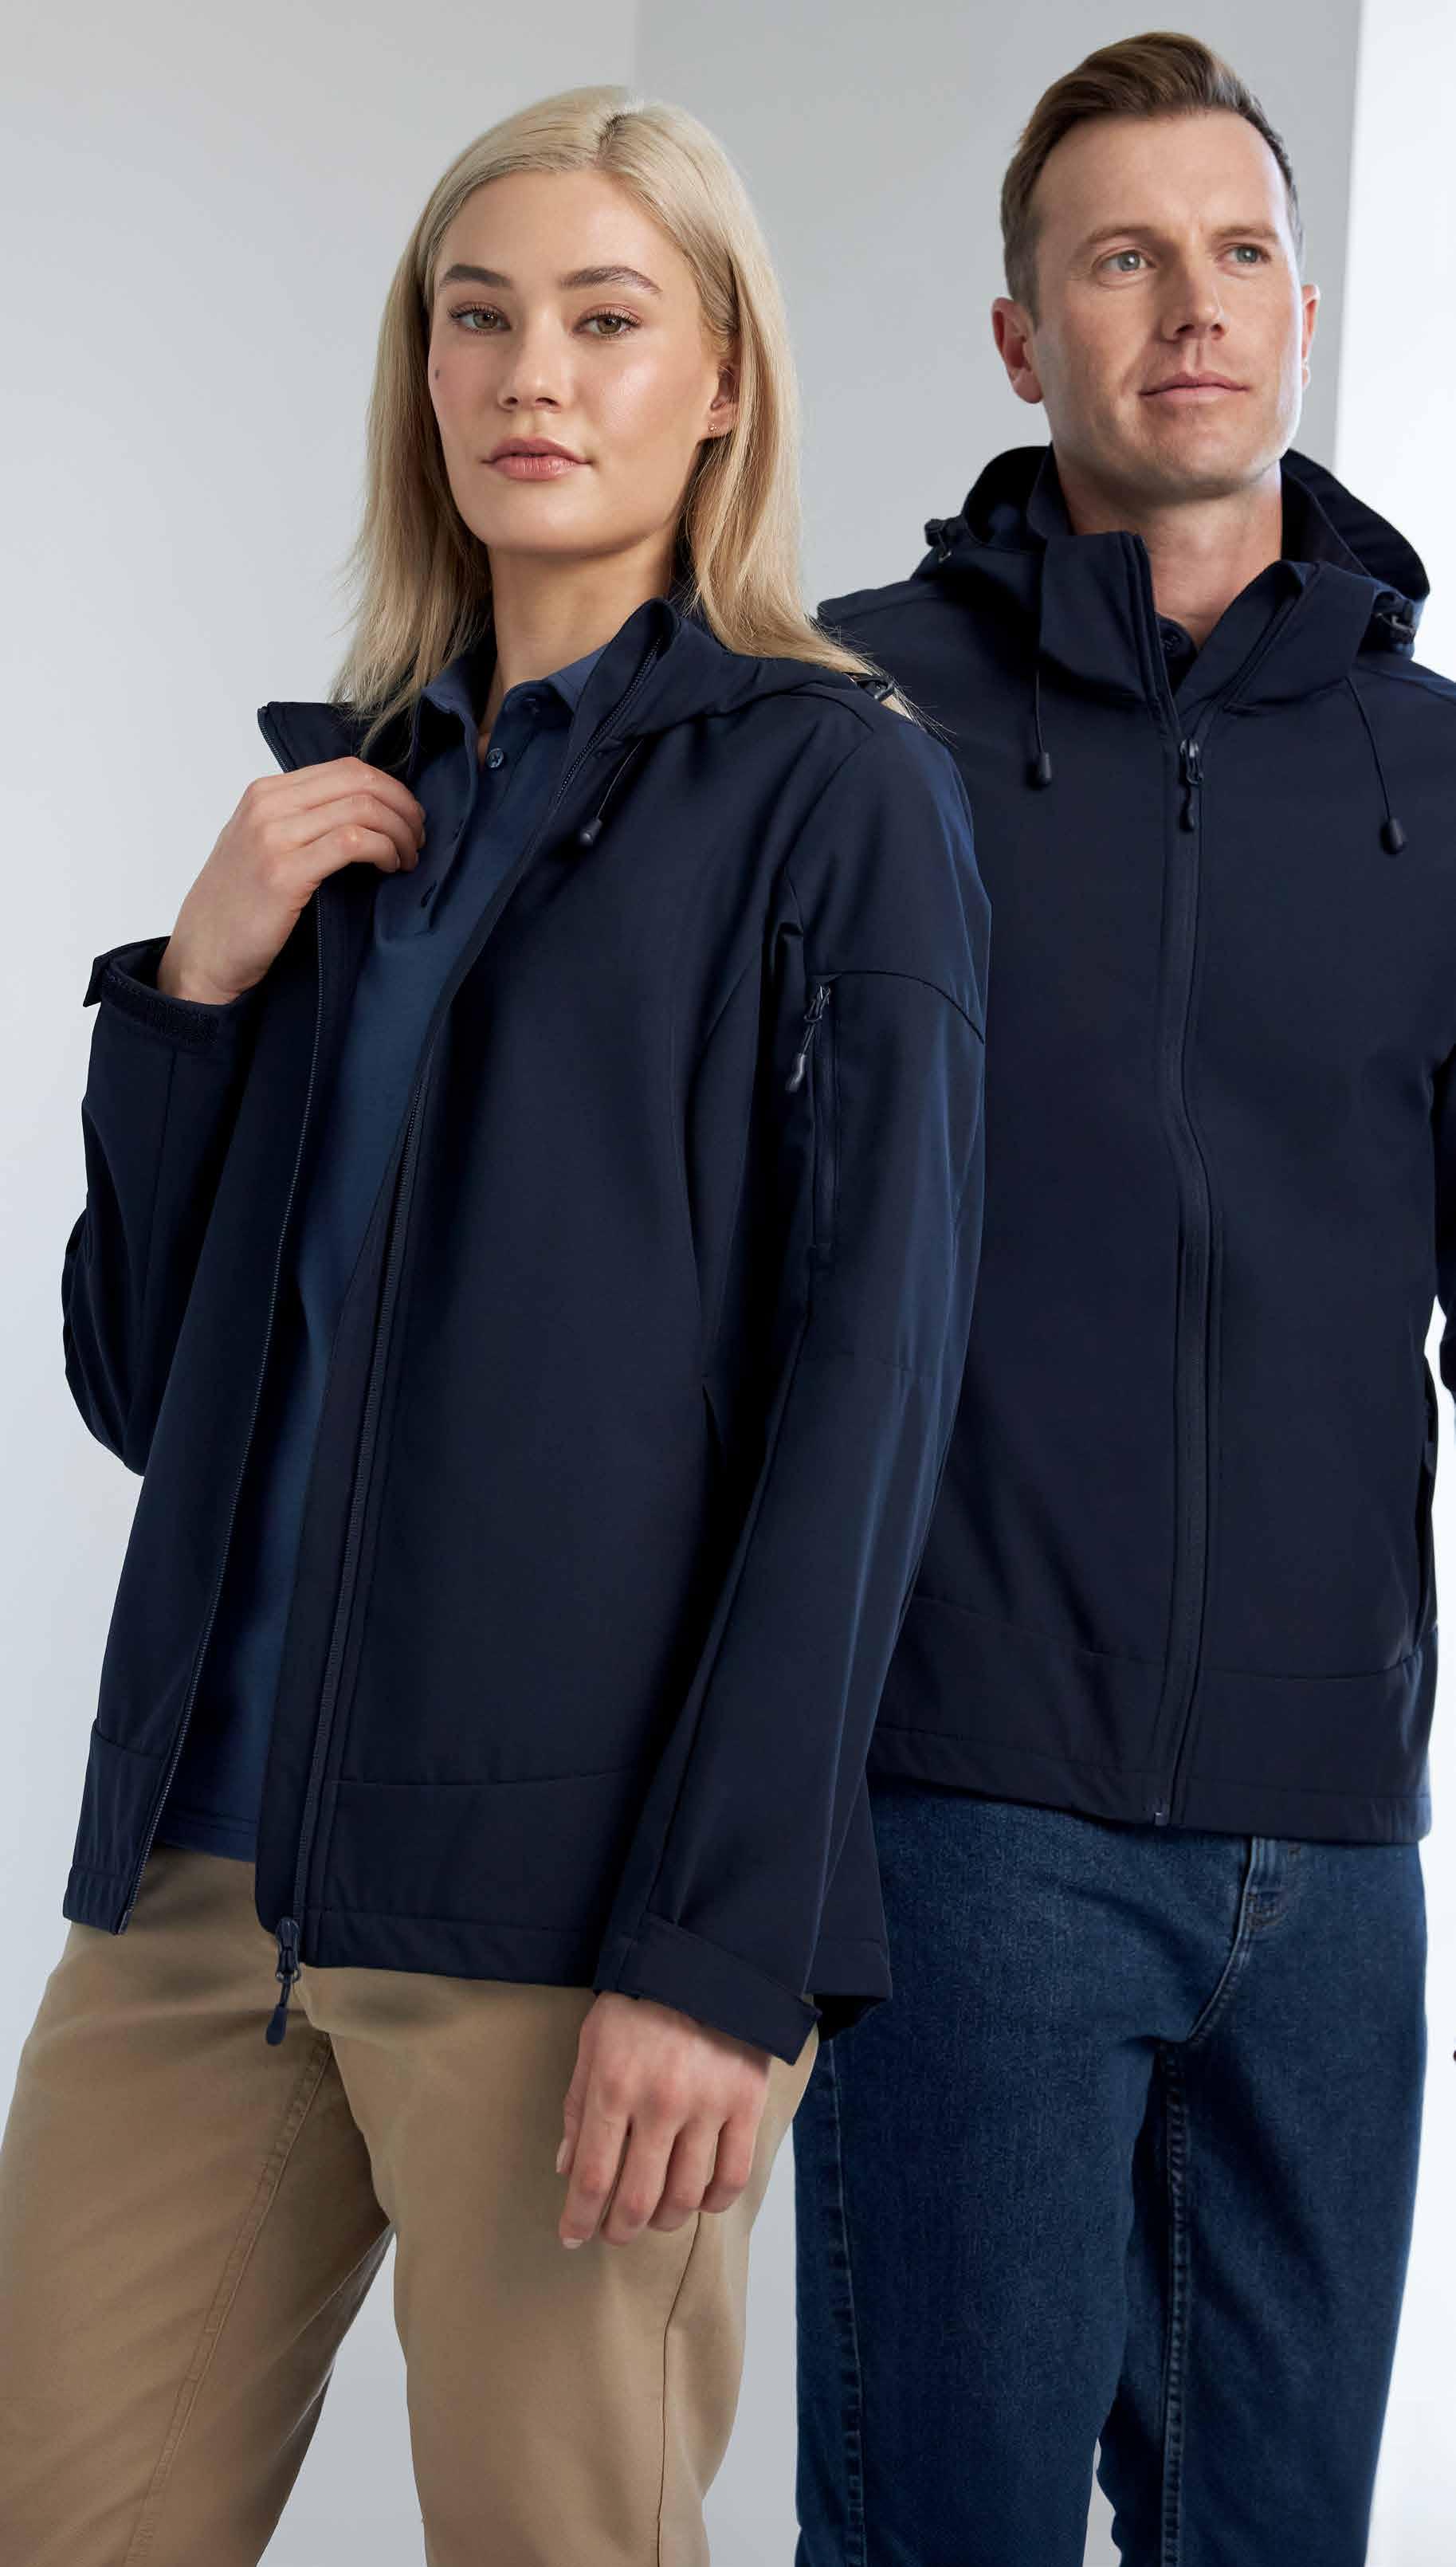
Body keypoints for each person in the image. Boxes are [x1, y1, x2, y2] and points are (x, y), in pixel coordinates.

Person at [0, 84, 989, 2567]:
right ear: (420, 372)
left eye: (605, 316)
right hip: (200, 1890)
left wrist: (721, 1949)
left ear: (723, 379)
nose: (530, 371)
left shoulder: (833, 799)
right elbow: (140, 1388)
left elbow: (863, 1409)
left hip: (567, 1933)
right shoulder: (342, 818)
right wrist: (187, 998)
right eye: (477, 317)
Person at [794, 30, 1446, 2567]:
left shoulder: (1435, 779)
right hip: (969, 1823)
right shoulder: (846, 723)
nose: (1191, 305)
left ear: (1298, 307)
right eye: (1120, 258)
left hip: (1334, 1851)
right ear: (1016, 335)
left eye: (1237, 251)